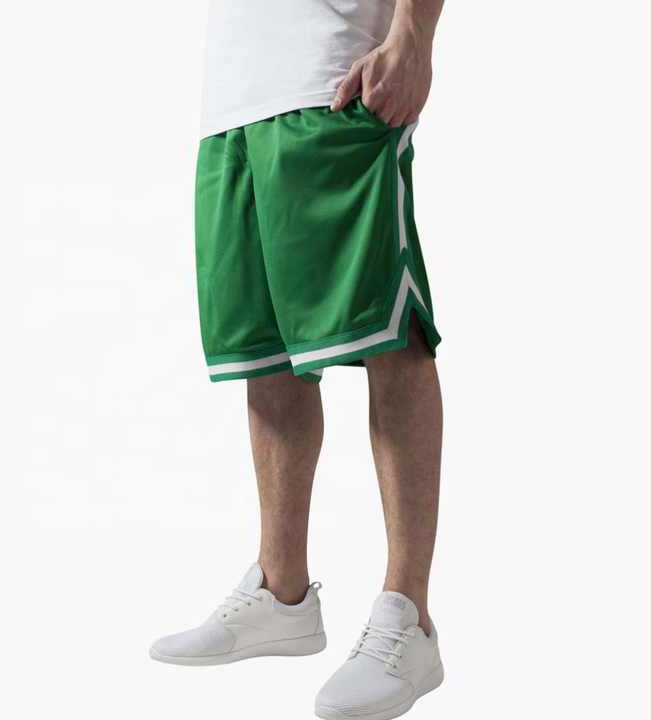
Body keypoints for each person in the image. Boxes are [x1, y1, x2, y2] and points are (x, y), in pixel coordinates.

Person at [151, 1, 446, 718]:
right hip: (234, 98)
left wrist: (412, 34)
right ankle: (281, 593)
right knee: (264, 351)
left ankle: (408, 617)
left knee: (388, 332)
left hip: (334, 78)